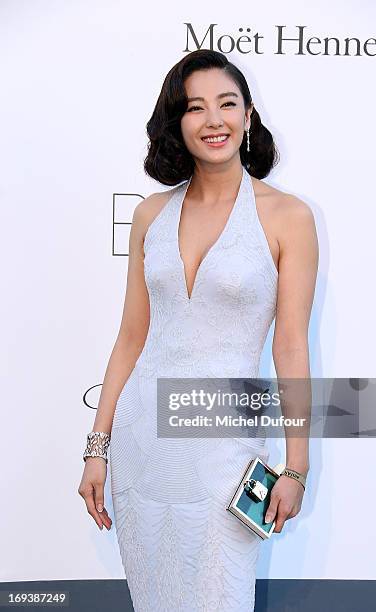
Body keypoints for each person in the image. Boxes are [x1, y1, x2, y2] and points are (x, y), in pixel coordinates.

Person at [78, 49, 318, 611]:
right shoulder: (150, 215)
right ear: (176, 123)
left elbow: (290, 347)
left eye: (227, 104)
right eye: (195, 107)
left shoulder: (289, 216)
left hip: (226, 453)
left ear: (249, 116)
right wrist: (98, 447)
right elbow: (131, 338)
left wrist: (296, 468)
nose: (214, 120)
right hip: (141, 446)